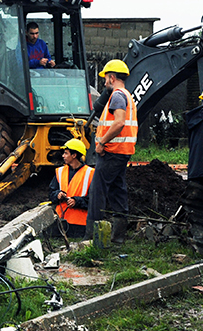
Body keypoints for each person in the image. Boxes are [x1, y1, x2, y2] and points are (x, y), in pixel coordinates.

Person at [88, 59, 138, 244]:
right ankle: (118, 238)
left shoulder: (117, 96)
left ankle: (93, 238)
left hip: (111, 151)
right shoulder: (127, 95)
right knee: (118, 191)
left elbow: (118, 122)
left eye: (106, 79)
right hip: (122, 151)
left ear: (112, 77)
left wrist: (101, 141)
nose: (104, 83)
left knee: (97, 192)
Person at [48, 138, 94, 238]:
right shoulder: (60, 171)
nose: (63, 156)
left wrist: (76, 201)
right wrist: (58, 194)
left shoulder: (90, 173)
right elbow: (51, 193)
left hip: (80, 224)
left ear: (74, 155)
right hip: (60, 223)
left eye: (66, 153)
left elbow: (95, 199)